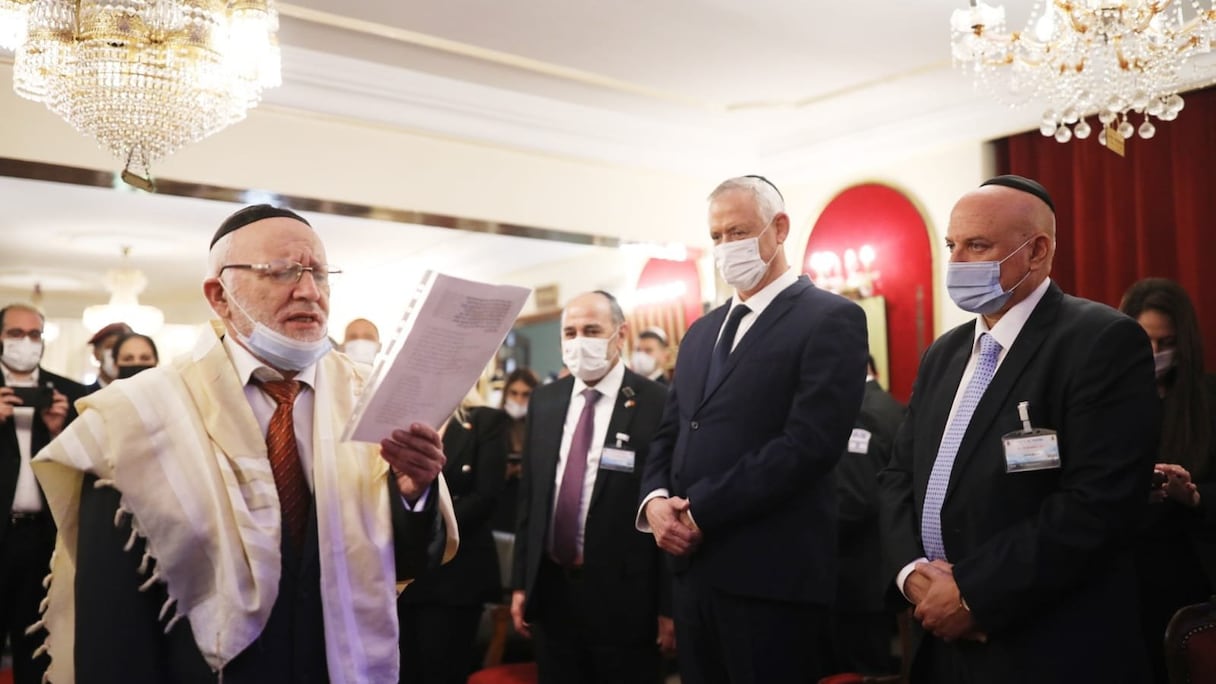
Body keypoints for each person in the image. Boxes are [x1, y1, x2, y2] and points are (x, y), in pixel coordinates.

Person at [31, 205, 458, 683]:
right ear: (219, 295)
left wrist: (412, 493)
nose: (308, 291)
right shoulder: (134, 416)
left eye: (319, 273)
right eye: (282, 272)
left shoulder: (372, 397)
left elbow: (405, 564)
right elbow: (114, 621)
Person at [876, 175, 1159, 684]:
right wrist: (912, 577)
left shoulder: (1102, 340)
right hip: (938, 640)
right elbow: (898, 477)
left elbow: (1098, 502)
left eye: (977, 245)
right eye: (951, 245)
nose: (957, 261)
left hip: (1046, 643)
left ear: (1037, 251)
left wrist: (973, 593)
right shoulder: (943, 353)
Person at [638, 175, 869, 683]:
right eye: (716, 236)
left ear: (779, 227)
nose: (725, 248)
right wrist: (655, 501)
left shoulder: (830, 319)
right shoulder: (700, 332)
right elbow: (672, 430)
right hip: (693, 578)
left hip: (771, 576)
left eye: (737, 232)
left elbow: (809, 444)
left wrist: (701, 510)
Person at [512, 291, 673, 683]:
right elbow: (531, 501)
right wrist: (520, 583)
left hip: (624, 600)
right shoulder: (545, 401)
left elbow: (667, 506)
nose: (578, 341)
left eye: (591, 330)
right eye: (570, 332)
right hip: (552, 592)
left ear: (620, 334)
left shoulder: (657, 402)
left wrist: (668, 607)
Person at [1119, 277, 1216, 683]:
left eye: (1166, 343)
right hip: (1120, 574)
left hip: (1189, 573)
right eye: (1145, 342)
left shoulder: (1208, 400)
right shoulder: (1103, 400)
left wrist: (1192, 495)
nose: (1155, 354)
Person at [398, 389, 511, 684]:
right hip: (401, 575)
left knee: (443, 669)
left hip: (456, 576)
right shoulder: (395, 420)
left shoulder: (485, 420)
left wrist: (421, 517)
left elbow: (486, 495)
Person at [0, 303, 86, 684]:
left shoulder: (69, 393)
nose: (26, 342)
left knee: (37, 645)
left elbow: (86, 468)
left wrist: (57, 431)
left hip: (44, 540)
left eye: (34, 335)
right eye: (15, 334)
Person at [827, 355, 906, 676]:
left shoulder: (858, 413)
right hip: (880, 564)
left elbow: (853, 500)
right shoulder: (888, 405)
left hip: (857, 572)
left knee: (862, 669)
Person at [491, 367, 540, 534]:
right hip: (499, 506)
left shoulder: (543, 427)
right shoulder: (493, 426)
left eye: (526, 394)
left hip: (531, 506)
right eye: (514, 393)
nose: (519, 399)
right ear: (506, 393)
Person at [84, 321, 132, 393]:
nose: (118, 353)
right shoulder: (81, 396)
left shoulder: (142, 395)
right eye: (112, 346)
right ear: (96, 353)